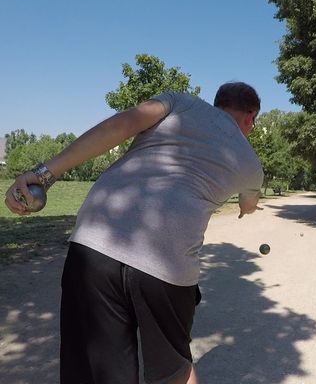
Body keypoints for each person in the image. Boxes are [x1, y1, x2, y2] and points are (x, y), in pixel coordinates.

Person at [4, 82, 264, 384]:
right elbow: (248, 204)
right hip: (166, 263)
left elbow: (124, 123)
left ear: (218, 102)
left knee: (97, 370)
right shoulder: (251, 164)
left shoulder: (182, 104)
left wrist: (45, 174)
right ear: (250, 117)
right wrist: (247, 207)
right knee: (174, 369)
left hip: (95, 240)